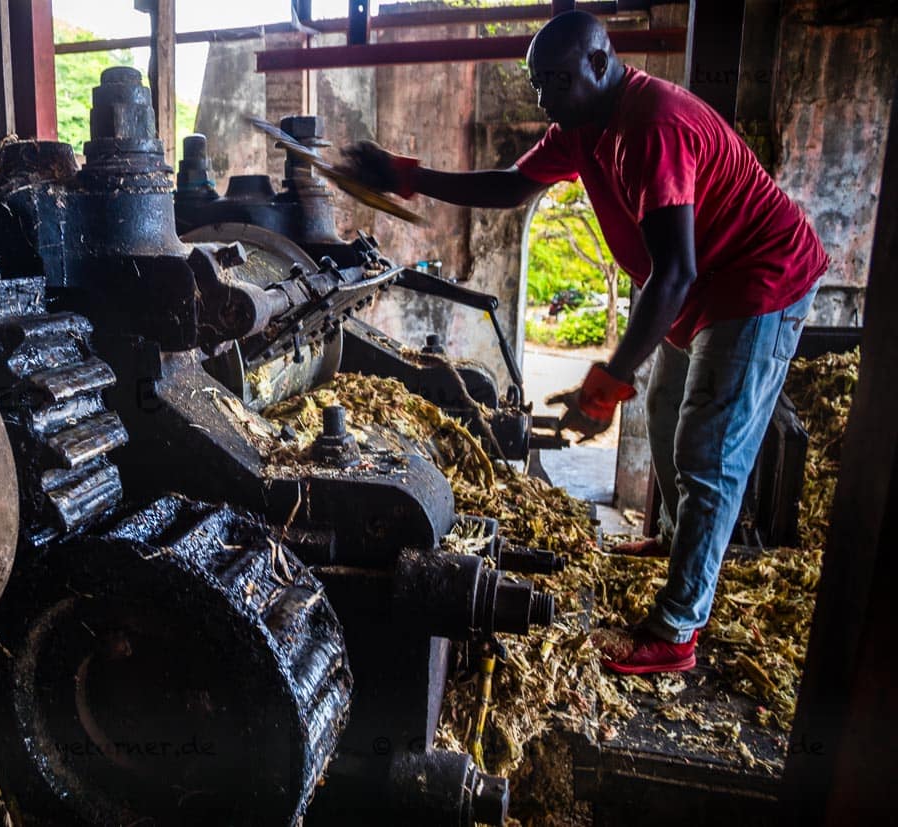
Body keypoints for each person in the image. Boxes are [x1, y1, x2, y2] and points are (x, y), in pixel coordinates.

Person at [340, 10, 827, 675]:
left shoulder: (653, 126)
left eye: (558, 81)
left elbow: (673, 272)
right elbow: (514, 186)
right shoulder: (582, 124)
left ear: (601, 64)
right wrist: (409, 176)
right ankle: (676, 544)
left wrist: (606, 384)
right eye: (538, 84)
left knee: (708, 453)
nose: (545, 98)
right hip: (701, 286)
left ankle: (676, 632)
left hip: (758, 283)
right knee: (665, 414)